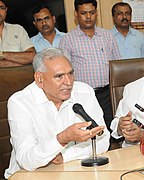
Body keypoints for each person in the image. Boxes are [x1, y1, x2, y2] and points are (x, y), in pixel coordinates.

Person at [4, 48, 110, 179]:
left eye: (70, 74)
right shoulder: (20, 102)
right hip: (29, 175)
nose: (69, 82)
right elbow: (26, 160)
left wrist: (66, 156)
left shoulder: (84, 91)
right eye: (59, 76)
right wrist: (62, 139)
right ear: (39, 78)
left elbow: (103, 140)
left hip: (74, 170)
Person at [59, 0, 121, 133]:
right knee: (88, 131)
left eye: (91, 13)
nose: (88, 17)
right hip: (82, 95)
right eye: (83, 13)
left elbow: (117, 65)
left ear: (96, 13)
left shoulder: (107, 36)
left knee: (109, 130)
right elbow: (65, 71)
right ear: (76, 14)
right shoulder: (67, 39)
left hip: (106, 94)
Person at [0, 0, 36, 67]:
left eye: (1, 8)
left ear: (6, 10)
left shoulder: (18, 30)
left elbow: (32, 56)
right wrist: (18, 63)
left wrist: (2, 54)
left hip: (18, 77)